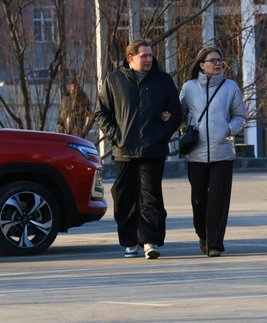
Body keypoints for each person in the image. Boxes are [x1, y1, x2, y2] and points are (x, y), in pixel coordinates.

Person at [95, 39, 182, 259]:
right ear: (131, 58)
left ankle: (150, 241)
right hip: (124, 151)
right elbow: (101, 113)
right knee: (124, 197)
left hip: (153, 150)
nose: (149, 59)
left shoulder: (163, 81)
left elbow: (175, 114)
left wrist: (162, 134)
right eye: (144, 56)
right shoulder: (114, 80)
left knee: (151, 197)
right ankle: (129, 241)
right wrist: (117, 136)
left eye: (151, 55)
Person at [179, 46, 246, 257]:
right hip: (196, 153)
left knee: (219, 198)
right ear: (201, 64)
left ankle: (215, 243)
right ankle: (203, 235)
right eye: (213, 60)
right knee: (198, 199)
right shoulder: (188, 88)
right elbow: (179, 114)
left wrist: (228, 129)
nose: (218, 63)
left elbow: (240, 116)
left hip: (222, 151)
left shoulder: (230, 87)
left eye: (220, 60)